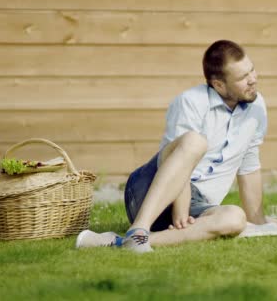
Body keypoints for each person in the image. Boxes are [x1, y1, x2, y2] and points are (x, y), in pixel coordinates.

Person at [76, 40, 267, 253]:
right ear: (219, 85)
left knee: (234, 219)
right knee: (195, 141)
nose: (253, 79)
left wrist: (259, 224)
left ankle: (122, 241)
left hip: (200, 204)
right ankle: (140, 228)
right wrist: (180, 210)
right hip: (150, 189)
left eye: (252, 70)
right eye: (243, 77)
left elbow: (249, 165)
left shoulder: (256, 107)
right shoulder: (191, 101)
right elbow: (178, 157)